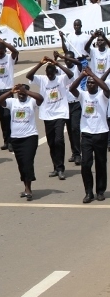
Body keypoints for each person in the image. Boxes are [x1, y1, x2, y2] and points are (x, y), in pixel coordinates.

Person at [26, 56, 74, 180]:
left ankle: (61, 168)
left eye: (52, 74)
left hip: (60, 113)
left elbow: (70, 73)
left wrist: (57, 63)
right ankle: (56, 167)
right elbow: (29, 76)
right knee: (51, 142)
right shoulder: (42, 79)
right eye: (48, 74)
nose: (50, 77)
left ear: (55, 73)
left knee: (59, 140)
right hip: (47, 115)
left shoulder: (61, 79)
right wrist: (40, 63)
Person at [69, 68, 110, 203]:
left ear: (97, 84)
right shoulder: (83, 95)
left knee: (101, 163)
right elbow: (72, 88)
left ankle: (100, 191)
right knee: (86, 164)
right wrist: (82, 75)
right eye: (88, 83)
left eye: (92, 83)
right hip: (86, 134)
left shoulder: (102, 96)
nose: (90, 84)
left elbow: (106, 89)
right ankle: (88, 192)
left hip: (101, 133)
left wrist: (93, 75)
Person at [0, 84, 43, 201]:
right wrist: (10, 92)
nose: (21, 96)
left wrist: (27, 92)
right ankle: (25, 186)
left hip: (30, 137)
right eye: (20, 94)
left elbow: (40, 98)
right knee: (21, 164)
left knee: (27, 161)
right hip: (16, 138)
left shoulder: (31, 102)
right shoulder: (13, 102)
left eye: (23, 94)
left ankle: (29, 189)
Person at [54, 50, 83, 165]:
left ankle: (78, 154)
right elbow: (53, 71)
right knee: (70, 130)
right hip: (65, 104)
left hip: (76, 103)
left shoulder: (77, 68)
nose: (67, 61)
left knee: (75, 128)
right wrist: (56, 60)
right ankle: (75, 153)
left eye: (68, 59)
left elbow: (78, 63)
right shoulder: (61, 68)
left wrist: (61, 56)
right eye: (65, 59)